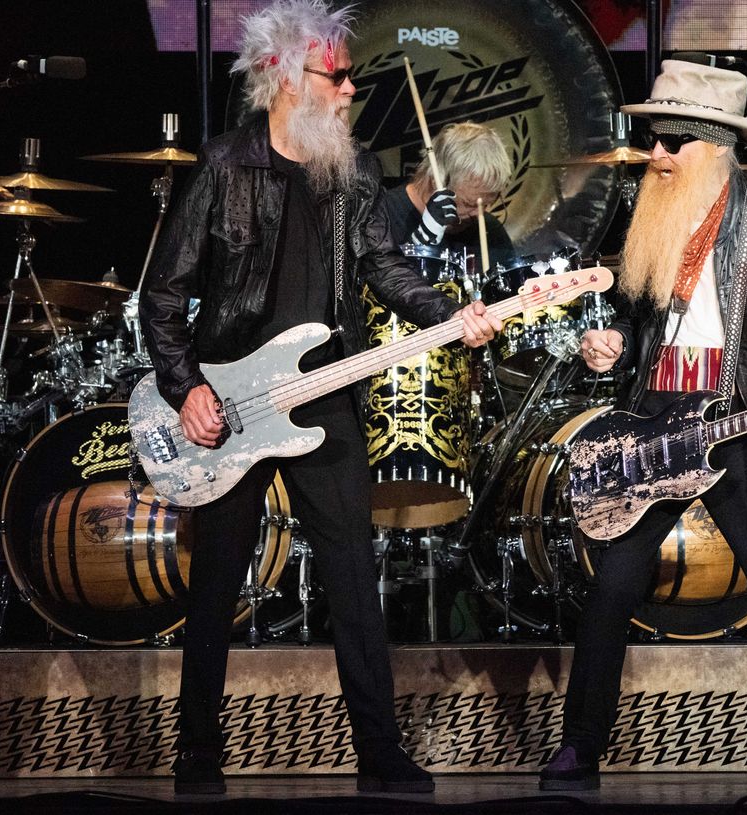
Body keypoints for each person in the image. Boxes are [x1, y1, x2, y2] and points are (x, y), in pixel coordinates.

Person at [139, 0, 501, 796]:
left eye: (349, 78)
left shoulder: (353, 170)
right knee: (217, 582)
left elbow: (383, 266)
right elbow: (162, 295)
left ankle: (379, 751)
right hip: (231, 401)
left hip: (323, 392)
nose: (349, 90)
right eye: (335, 76)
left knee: (353, 578)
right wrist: (187, 387)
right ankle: (197, 749)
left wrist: (451, 314)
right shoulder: (225, 165)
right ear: (284, 77)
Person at [538, 58, 747, 791]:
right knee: (612, 588)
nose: (656, 155)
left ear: (714, 145)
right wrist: (612, 342)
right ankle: (579, 748)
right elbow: (636, 316)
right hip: (652, 424)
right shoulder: (653, 209)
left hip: (737, 422)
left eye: (673, 143)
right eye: (654, 140)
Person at [383, 120, 516, 277]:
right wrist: (425, 236)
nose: (479, 214)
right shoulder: (381, 218)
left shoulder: (491, 232)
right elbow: (385, 283)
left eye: (486, 204)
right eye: (469, 204)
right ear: (436, 182)